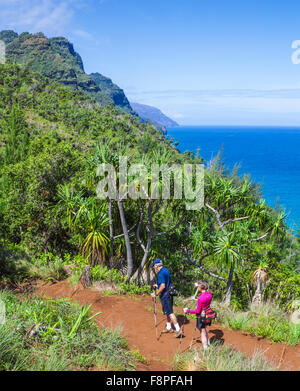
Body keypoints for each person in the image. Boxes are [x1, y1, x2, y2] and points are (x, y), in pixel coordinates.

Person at [150, 259, 183, 338]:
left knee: (170, 312)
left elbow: (163, 286)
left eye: (154, 266)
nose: (154, 267)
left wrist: (156, 294)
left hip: (165, 295)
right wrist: (157, 286)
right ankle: (168, 327)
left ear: (157, 265)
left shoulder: (161, 273)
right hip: (168, 294)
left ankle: (178, 330)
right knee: (167, 311)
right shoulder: (166, 270)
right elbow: (166, 283)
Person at [183, 280, 212, 350]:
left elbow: (197, 311)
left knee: (202, 331)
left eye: (198, 286)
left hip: (201, 316)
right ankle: (208, 344)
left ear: (201, 287)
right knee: (204, 329)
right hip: (207, 315)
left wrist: (188, 310)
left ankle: (205, 348)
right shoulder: (209, 295)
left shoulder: (200, 298)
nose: (197, 287)